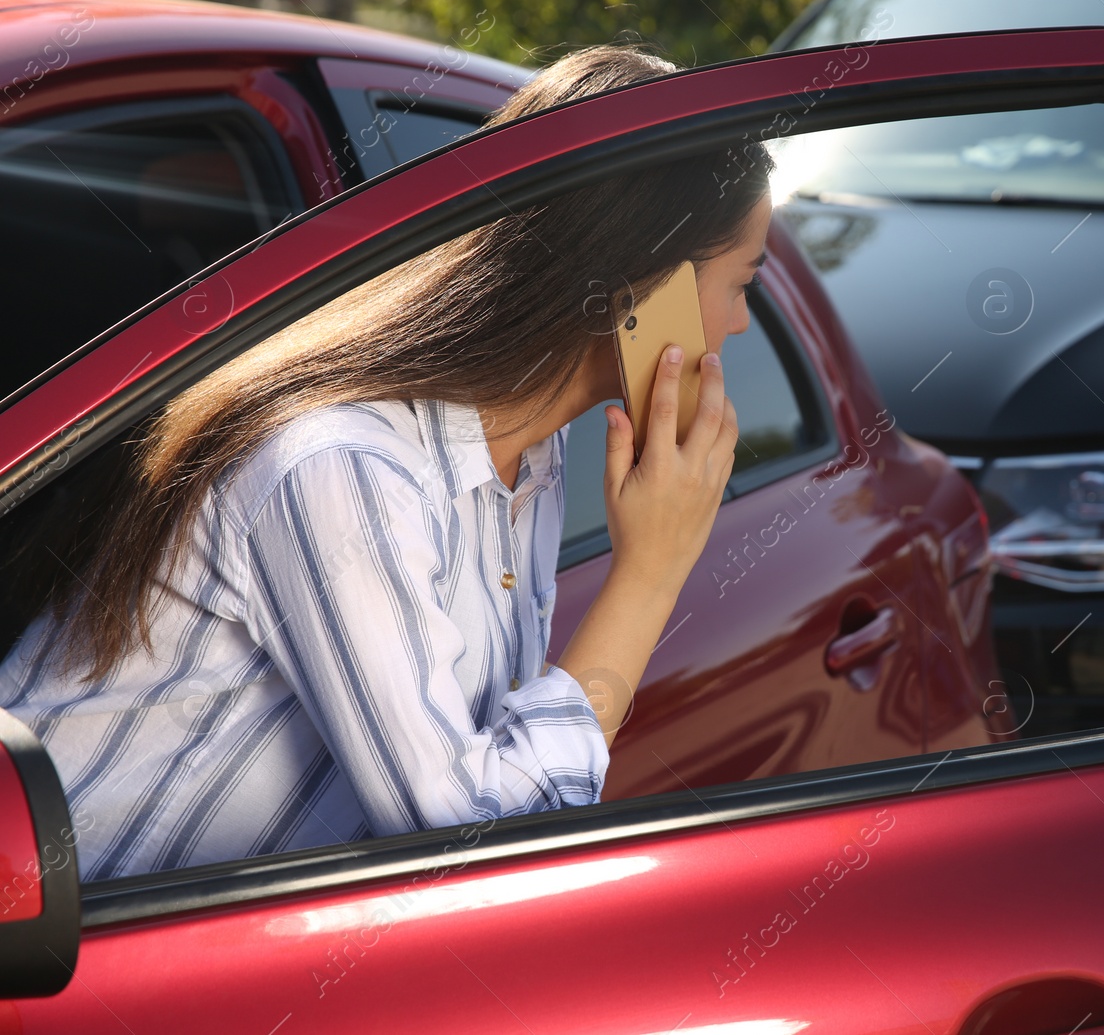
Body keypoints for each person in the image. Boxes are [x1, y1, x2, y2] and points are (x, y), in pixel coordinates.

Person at [0, 44, 774, 880]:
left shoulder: (529, 463)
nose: (738, 326)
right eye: (739, 284)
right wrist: (650, 575)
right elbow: (471, 849)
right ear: (643, 288)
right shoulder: (342, 467)